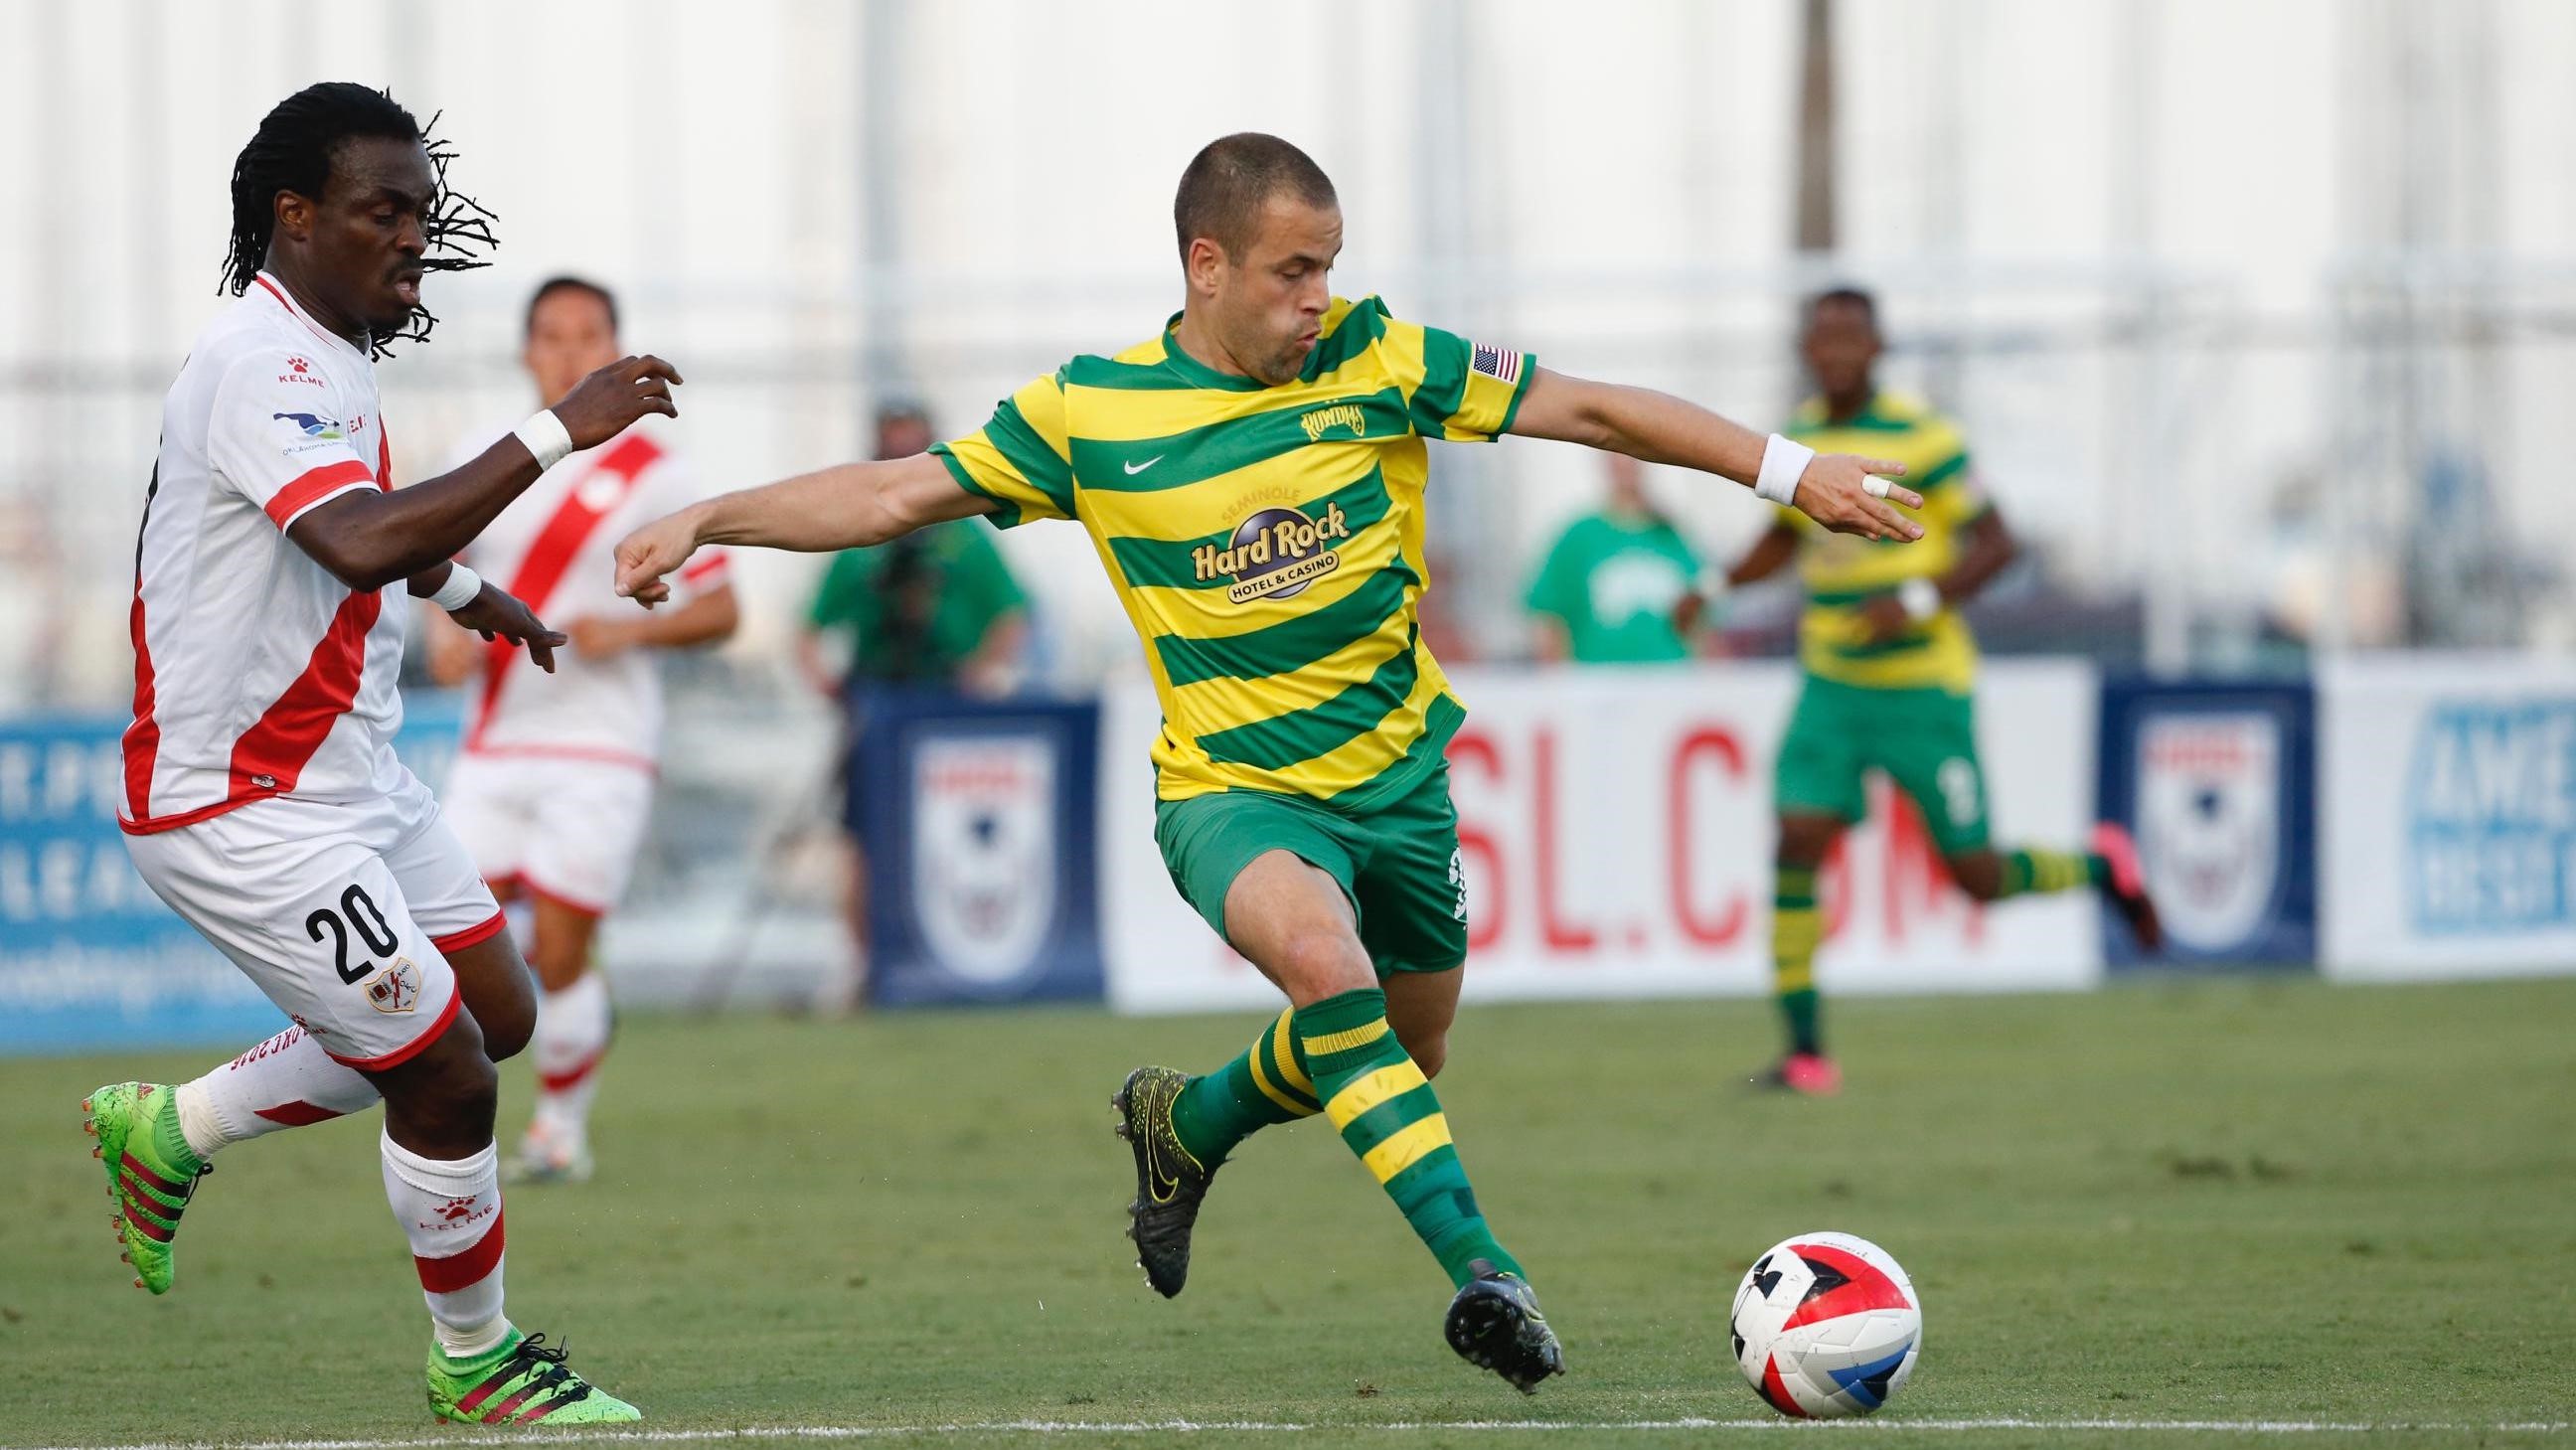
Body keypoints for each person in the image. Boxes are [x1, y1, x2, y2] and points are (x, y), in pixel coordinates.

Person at [612, 133, 1922, 1393]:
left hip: (1399, 784)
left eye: (1330, 264)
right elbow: (894, 494)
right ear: (1207, 265)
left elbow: (1586, 407)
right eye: (1295, 270)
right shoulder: (1094, 410)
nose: (1320, 295)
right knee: (1327, 971)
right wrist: (706, 514)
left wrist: (1786, 469)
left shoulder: (1381, 356)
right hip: (1229, 791)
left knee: (1407, 1046)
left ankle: (1189, 1121)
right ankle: (1489, 1271)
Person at [92, 82, 676, 1423]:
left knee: (505, 1012)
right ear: (294, 218)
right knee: (447, 1066)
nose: (414, 236)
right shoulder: (263, 361)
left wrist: (477, 597)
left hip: (351, 780)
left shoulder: (328, 355)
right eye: (382, 210)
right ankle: (472, 1356)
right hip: (234, 798)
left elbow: (378, 535)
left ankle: (175, 1127)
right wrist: (555, 426)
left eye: (421, 210)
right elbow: (355, 539)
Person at [1680, 287, 2163, 1096]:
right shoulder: (1799, 436)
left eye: (1849, 336)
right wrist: (1714, 583)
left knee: (1975, 874)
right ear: (1806, 348)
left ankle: (2102, 866)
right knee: (1797, 838)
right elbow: (1779, 539)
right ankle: (1805, 1054)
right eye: (1820, 336)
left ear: (1878, 348)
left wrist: (1917, 600)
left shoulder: (1926, 439)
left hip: (1922, 689)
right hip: (1831, 683)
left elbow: (1998, 541)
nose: (1833, 350)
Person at [422, 276, 738, 1183]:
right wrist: (445, 637)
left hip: (600, 746)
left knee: (557, 950)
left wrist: (629, 629)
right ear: (526, 352)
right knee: (445, 945)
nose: (567, 352)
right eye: (551, 336)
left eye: (586, 335)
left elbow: (721, 612)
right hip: (494, 744)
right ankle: (453, 1123)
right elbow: (436, 573)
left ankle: (558, 1131)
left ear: (614, 350)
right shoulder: (482, 457)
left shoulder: (657, 473)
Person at [795, 403, 1029, 997]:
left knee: (941, 832)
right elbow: (809, 627)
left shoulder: (964, 535)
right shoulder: (859, 539)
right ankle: (863, 963)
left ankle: (939, 954)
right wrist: (826, 683)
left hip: (942, 702)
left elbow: (1013, 614)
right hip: (875, 700)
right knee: (861, 839)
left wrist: (980, 672)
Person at [1525, 452, 1703, 663]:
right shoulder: (1579, 537)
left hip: (1672, 681)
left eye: (1634, 454)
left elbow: (1703, 622)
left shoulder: (1671, 535)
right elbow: (1549, 619)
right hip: (1596, 684)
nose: (1627, 464)